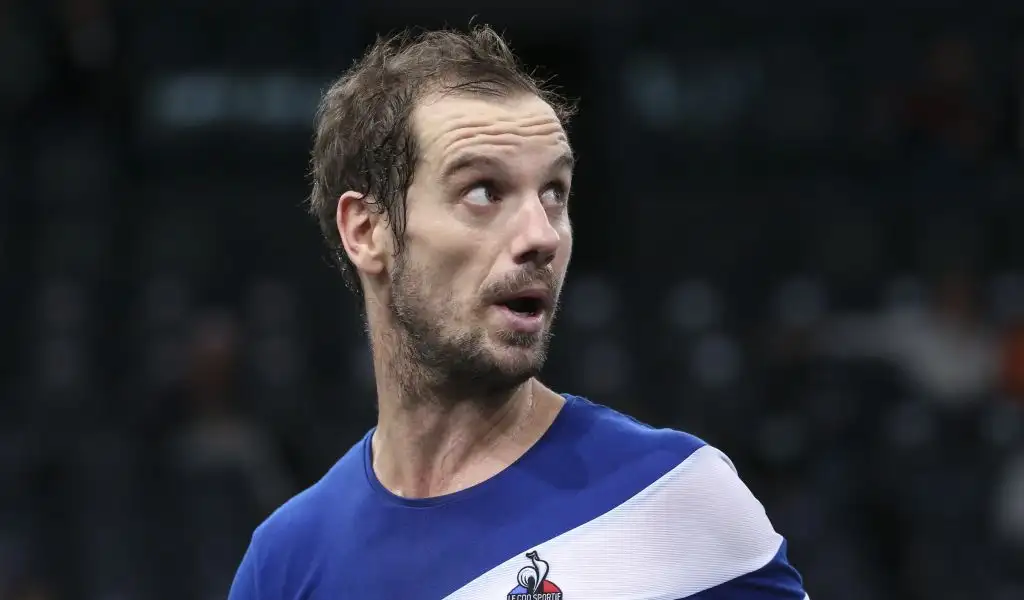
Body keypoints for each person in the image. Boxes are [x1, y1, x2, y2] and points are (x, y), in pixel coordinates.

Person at [228, 25, 808, 600]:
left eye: (554, 192)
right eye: (483, 191)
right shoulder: (286, 563)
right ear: (366, 230)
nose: (542, 235)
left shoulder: (675, 499)